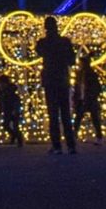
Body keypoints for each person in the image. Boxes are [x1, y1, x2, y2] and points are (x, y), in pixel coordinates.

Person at [34, 15, 77, 154]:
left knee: (53, 115)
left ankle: (57, 146)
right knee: (65, 115)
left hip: (50, 81)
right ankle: (71, 145)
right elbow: (72, 61)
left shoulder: (43, 43)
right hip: (63, 80)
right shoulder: (65, 42)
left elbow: (38, 52)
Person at [74, 52, 103, 144]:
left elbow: (97, 88)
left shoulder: (90, 74)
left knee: (93, 119)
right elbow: (77, 87)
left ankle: (98, 137)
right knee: (79, 118)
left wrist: (91, 96)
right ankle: (74, 136)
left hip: (89, 99)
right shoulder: (80, 74)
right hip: (83, 99)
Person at [0, 73, 24, 147]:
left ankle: (19, 140)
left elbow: (15, 101)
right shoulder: (1, 91)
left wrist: (16, 110)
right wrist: (0, 108)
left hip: (13, 110)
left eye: (0, 83)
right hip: (7, 110)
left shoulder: (10, 91)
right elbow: (0, 100)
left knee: (15, 126)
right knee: (6, 125)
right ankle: (14, 136)